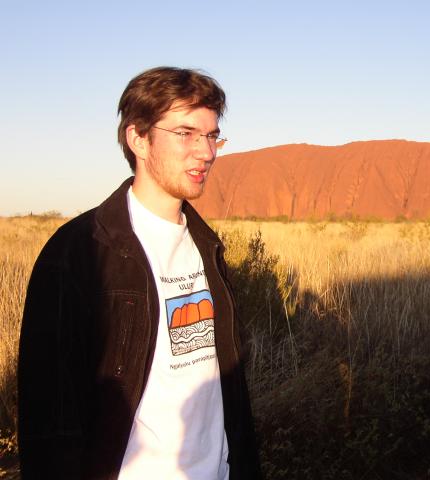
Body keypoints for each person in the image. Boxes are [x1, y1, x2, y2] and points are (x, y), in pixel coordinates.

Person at [18, 67, 261, 479]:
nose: (206, 152)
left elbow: (227, 389)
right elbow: (50, 419)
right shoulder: (78, 253)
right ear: (138, 139)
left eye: (211, 135)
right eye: (186, 134)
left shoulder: (207, 247)